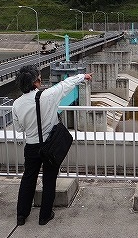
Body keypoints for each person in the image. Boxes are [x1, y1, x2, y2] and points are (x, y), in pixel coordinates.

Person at [12, 66, 91, 226]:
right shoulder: (47, 96)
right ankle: (44, 216)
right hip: (50, 146)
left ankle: (21, 215)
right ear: (36, 82)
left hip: (31, 147)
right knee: (49, 180)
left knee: (28, 179)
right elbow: (66, 84)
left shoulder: (16, 104)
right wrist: (83, 76)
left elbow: (19, 128)